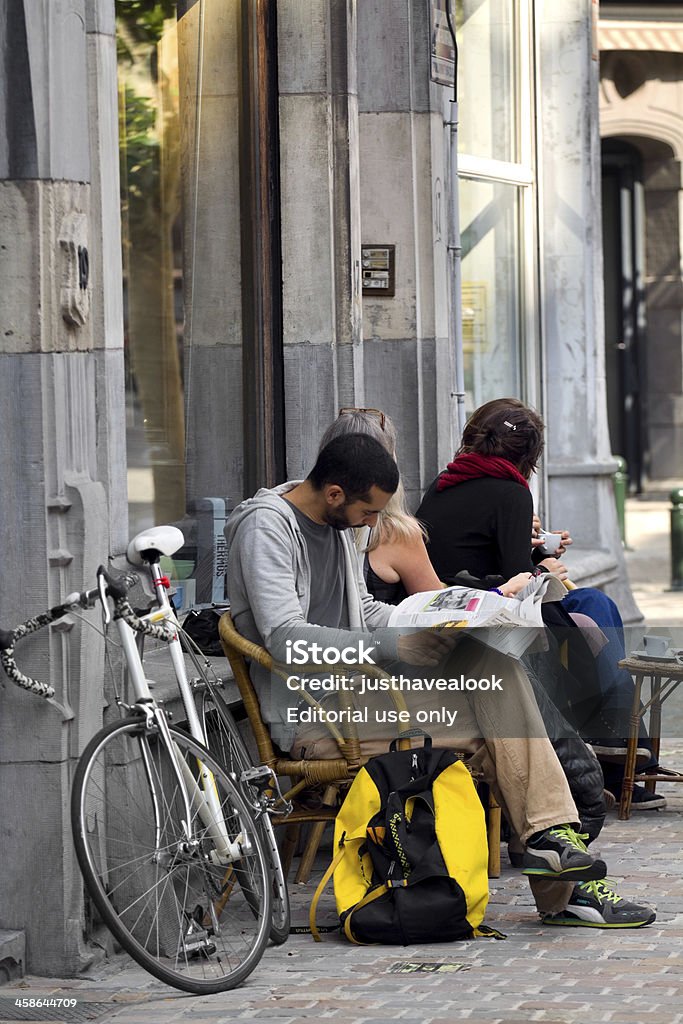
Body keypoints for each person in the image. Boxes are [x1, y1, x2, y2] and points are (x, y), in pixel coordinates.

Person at [226, 430, 655, 929]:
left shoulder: (338, 521)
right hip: (315, 718)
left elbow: (360, 611)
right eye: (368, 513)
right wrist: (395, 646)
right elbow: (285, 638)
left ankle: (552, 848)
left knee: (493, 666)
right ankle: (561, 869)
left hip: (361, 698)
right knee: (502, 732)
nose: (371, 526)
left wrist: (431, 621)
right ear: (335, 493)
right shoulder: (269, 529)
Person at [416, 397, 663, 810]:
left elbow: (480, 557)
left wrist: (537, 552)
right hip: (494, 619)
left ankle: (617, 752)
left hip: (463, 606)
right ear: (529, 454)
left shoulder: (445, 482)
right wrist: (545, 564)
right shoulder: (510, 491)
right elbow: (521, 586)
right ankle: (618, 754)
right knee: (594, 616)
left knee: (596, 607)